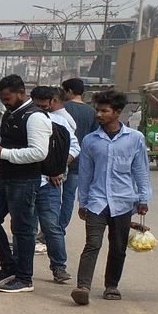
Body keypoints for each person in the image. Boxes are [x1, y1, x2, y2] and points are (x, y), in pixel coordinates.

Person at [72, 90, 151, 305]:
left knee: (118, 246)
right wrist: (83, 201)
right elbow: (85, 173)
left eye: (104, 111)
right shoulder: (90, 140)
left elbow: (141, 171)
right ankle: (83, 287)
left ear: (117, 113)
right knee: (92, 244)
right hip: (97, 201)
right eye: (98, 110)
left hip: (124, 201)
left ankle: (111, 285)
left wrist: (143, 199)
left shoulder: (135, 139)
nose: (99, 114)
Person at [0, 74, 51, 294]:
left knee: (22, 230)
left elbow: (39, 152)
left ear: (21, 93)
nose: (5, 102)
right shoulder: (9, 115)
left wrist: (3, 152)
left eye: (8, 98)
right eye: (2, 99)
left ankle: (24, 277)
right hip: (4, 177)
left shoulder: (35, 117)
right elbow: (3, 142)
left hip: (25, 180)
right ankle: (8, 266)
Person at [35, 85, 78, 286]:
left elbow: (74, 147)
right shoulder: (23, 120)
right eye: (37, 106)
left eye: (44, 106)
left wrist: (58, 168)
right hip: (25, 182)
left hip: (49, 184)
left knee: (52, 226)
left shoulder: (60, 122)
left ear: (52, 103)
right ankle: (18, 267)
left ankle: (59, 267)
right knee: (23, 227)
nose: (41, 110)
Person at [58, 78, 97, 226]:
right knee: (68, 197)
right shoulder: (92, 112)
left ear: (69, 91)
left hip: (59, 160)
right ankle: (60, 228)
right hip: (79, 162)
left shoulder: (61, 108)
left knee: (53, 197)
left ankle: (48, 230)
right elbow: (94, 139)